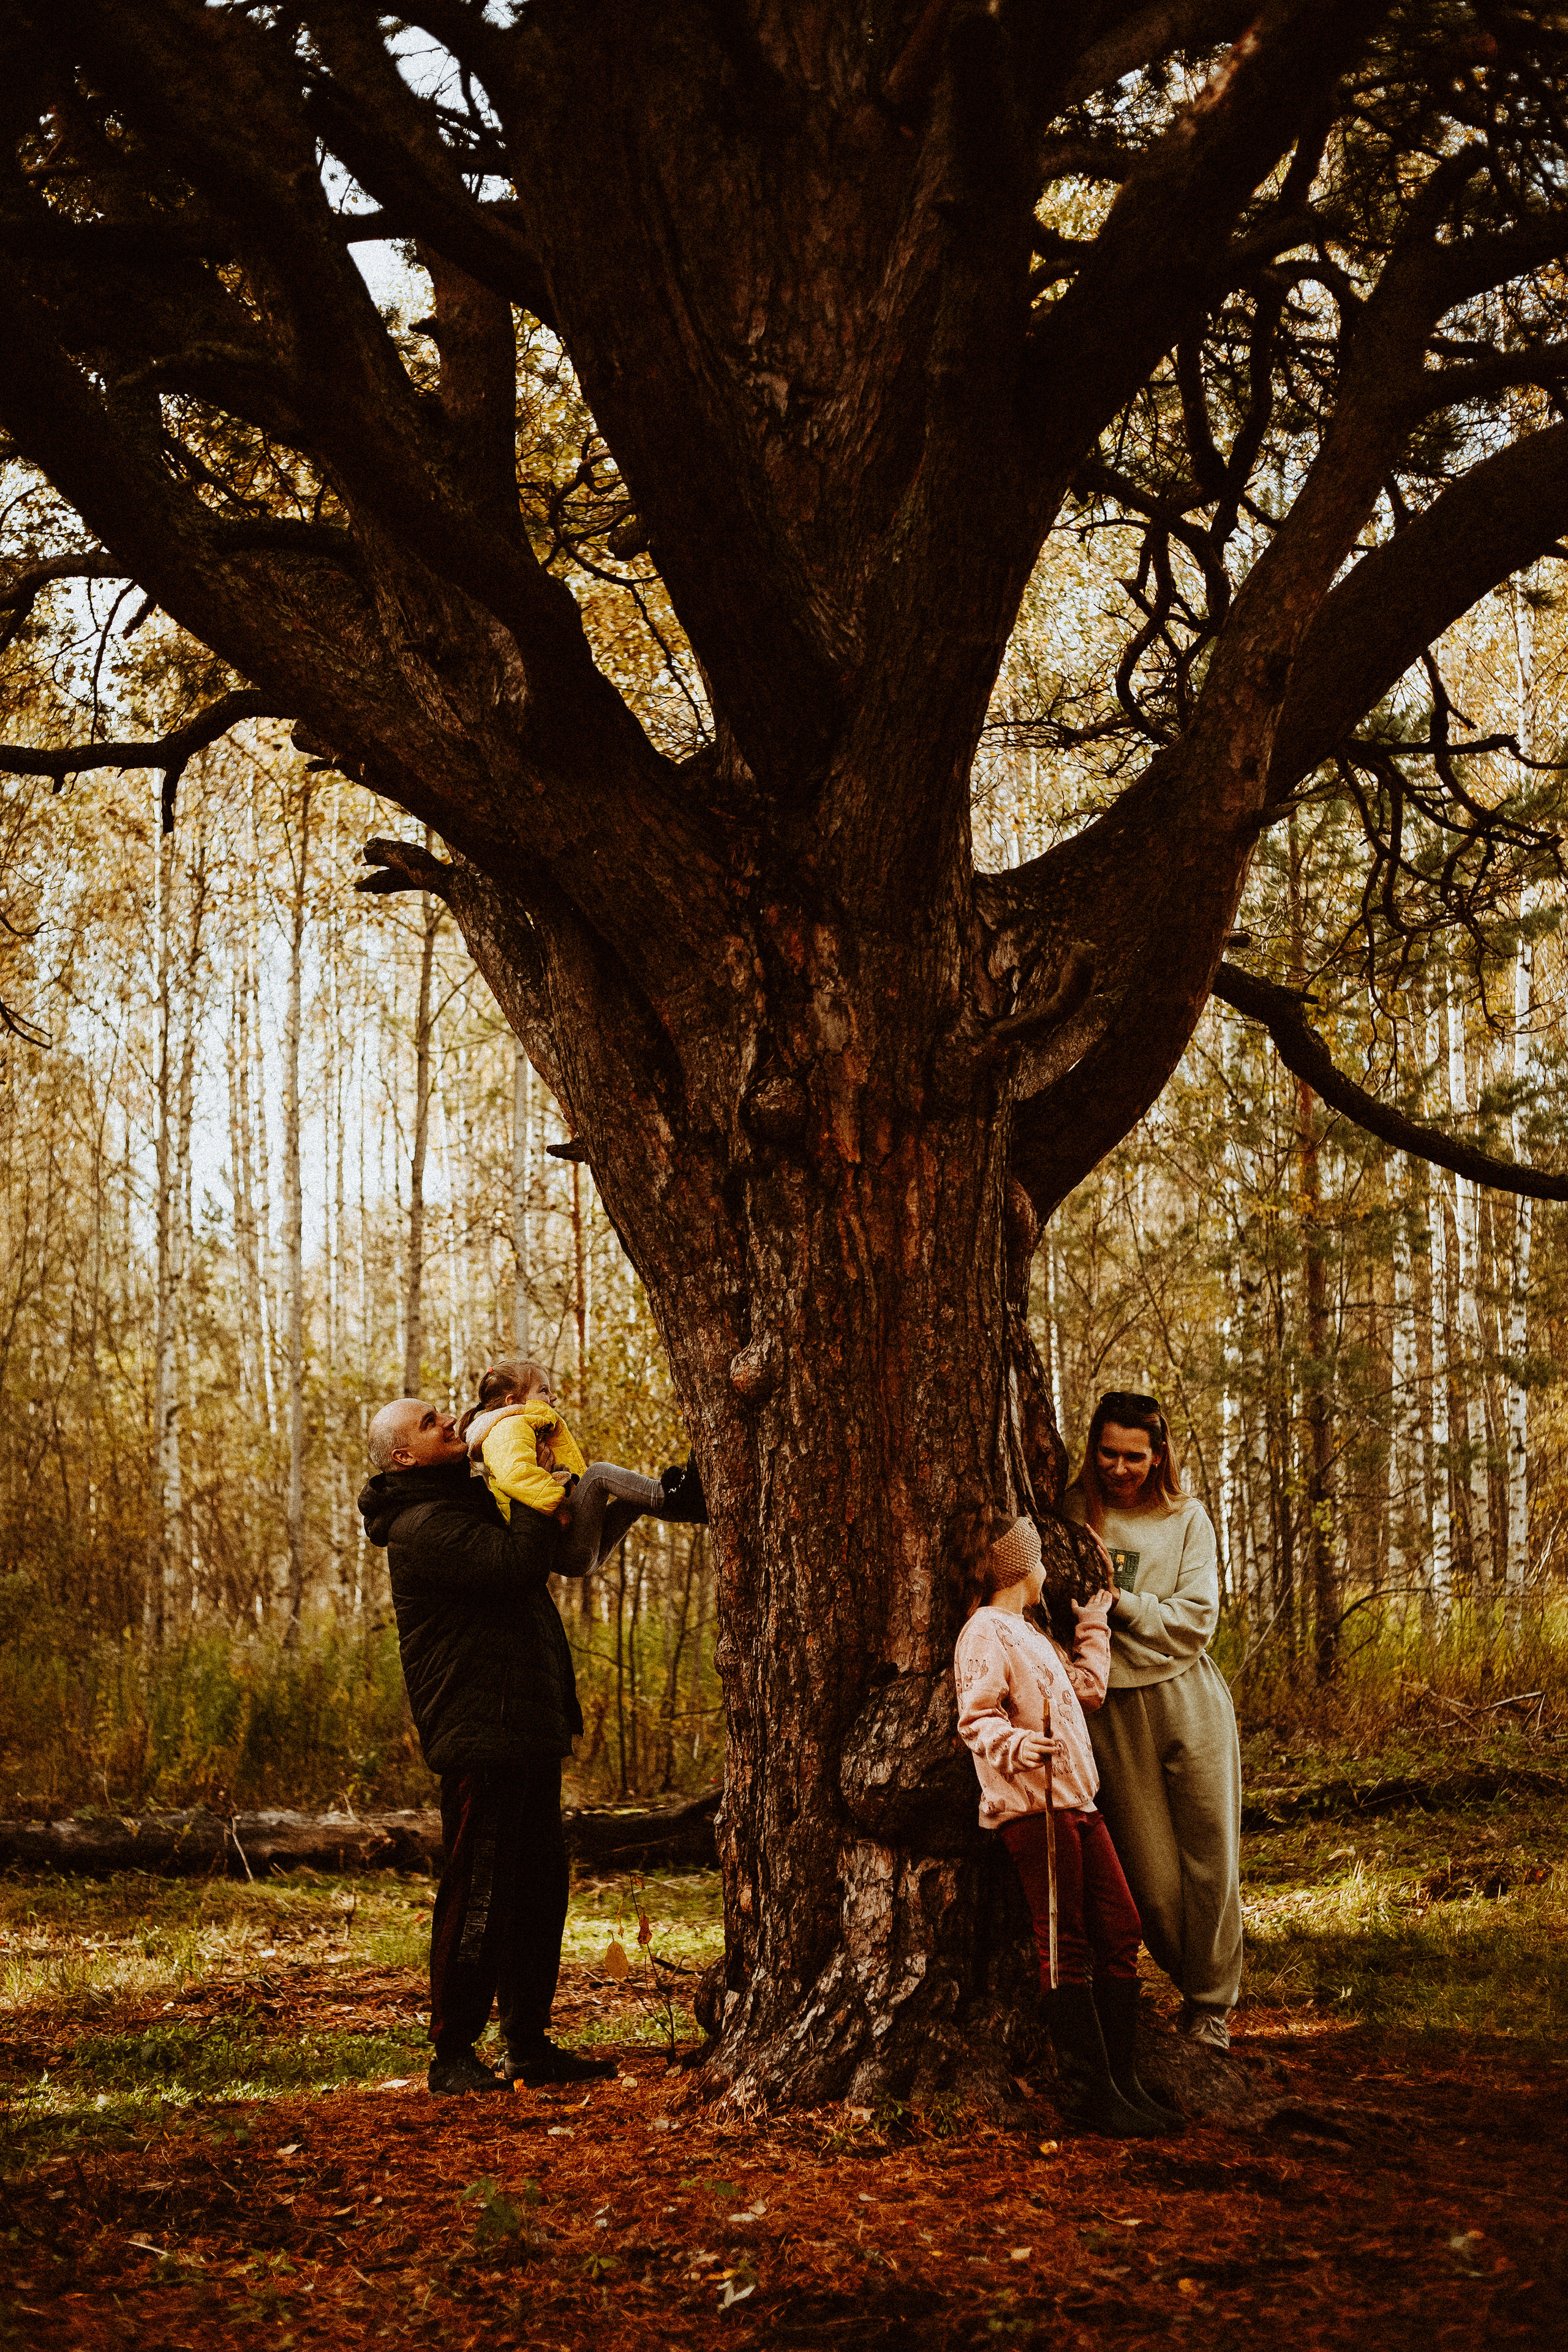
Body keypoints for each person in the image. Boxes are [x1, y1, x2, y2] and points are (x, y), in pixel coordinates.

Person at [358, 1394, 617, 2097]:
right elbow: (516, 1566)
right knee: (480, 1892)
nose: (451, 1423)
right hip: (482, 1734)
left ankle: (527, 2045)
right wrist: (529, 1484)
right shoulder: (421, 1526)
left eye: (446, 1414)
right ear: (403, 1456)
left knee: (538, 1893)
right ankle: (452, 2055)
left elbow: (559, 1551)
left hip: (523, 1723)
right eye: (430, 1423)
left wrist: (547, 1480)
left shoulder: (466, 1502)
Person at [955, 1507, 1183, 2137]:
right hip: (1036, 1812)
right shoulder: (983, 1634)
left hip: (1081, 1805)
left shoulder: (1031, 1632)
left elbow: (1086, 1689)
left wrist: (1092, 1628)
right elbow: (976, 1720)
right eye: (1039, 1560)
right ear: (1020, 1568)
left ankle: (1122, 2079)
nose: (1047, 1569)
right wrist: (1015, 1748)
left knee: (1122, 1928)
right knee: (1065, 1943)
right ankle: (1089, 2093)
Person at [1064, 1390, 1243, 2048]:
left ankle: (1210, 2007)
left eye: (1133, 1456)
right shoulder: (1072, 1512)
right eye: (1107, 1453)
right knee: (1153, 1880)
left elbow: (1196, 1619)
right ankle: (1184, 1975)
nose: (1119, 1468)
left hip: (1188, 1698)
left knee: (1210, 1859)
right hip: (1111, 1710)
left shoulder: (1187, 1518)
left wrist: (1126, 1606)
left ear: (1157, 1454)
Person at [459, 1358, 707, 1569]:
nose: (553, 1396)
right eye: (543, 1390)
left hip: (572, 1547)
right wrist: (559, 1508)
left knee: (632, 1500)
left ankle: (696, 1510)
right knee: (599, 1474)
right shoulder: (506, 1428)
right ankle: (675, 1495)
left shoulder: (524, 1427)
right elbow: (516, 1476)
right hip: (564, 1545)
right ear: (513, 1402)